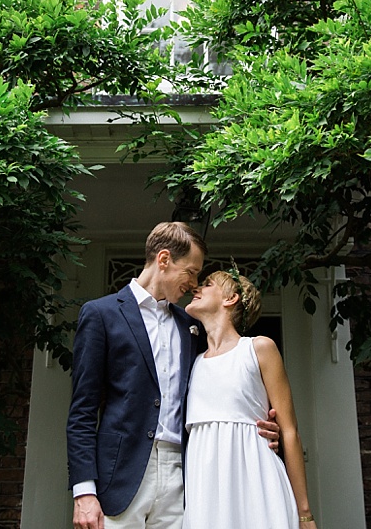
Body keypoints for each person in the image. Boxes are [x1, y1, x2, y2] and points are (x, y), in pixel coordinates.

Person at [67, 222, 280, 529]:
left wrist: (261, 425)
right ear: (163, 260)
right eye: (191, 271)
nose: (194, 284)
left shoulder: (189, 325)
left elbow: (217, 383)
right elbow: (82, 411)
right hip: (120, 476)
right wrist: (84, 491)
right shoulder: (101, 314)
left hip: (185, 477)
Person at [182, 268, 318, 529]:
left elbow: (289, 431)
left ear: (230, 298)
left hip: (257, 483)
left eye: (207, 284)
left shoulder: (259, 348)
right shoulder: (193, 362)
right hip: (205, 492)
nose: (196, 289)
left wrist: (305, 513)